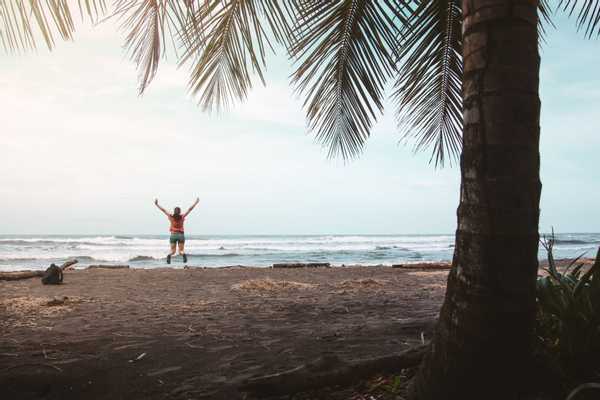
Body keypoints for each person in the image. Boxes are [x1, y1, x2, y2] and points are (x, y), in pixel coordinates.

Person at [154, 198, 199, 264]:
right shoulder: (182, 216)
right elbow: (190, 209)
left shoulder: (171, 216)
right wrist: (196, 202)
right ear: (180, 211)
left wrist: (157, 204)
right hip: (181, 235)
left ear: (174, 211)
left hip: (173, 235)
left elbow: (163, 210)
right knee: (181, 251)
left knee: (173, 251)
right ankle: (183, 255)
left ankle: (169, 255)